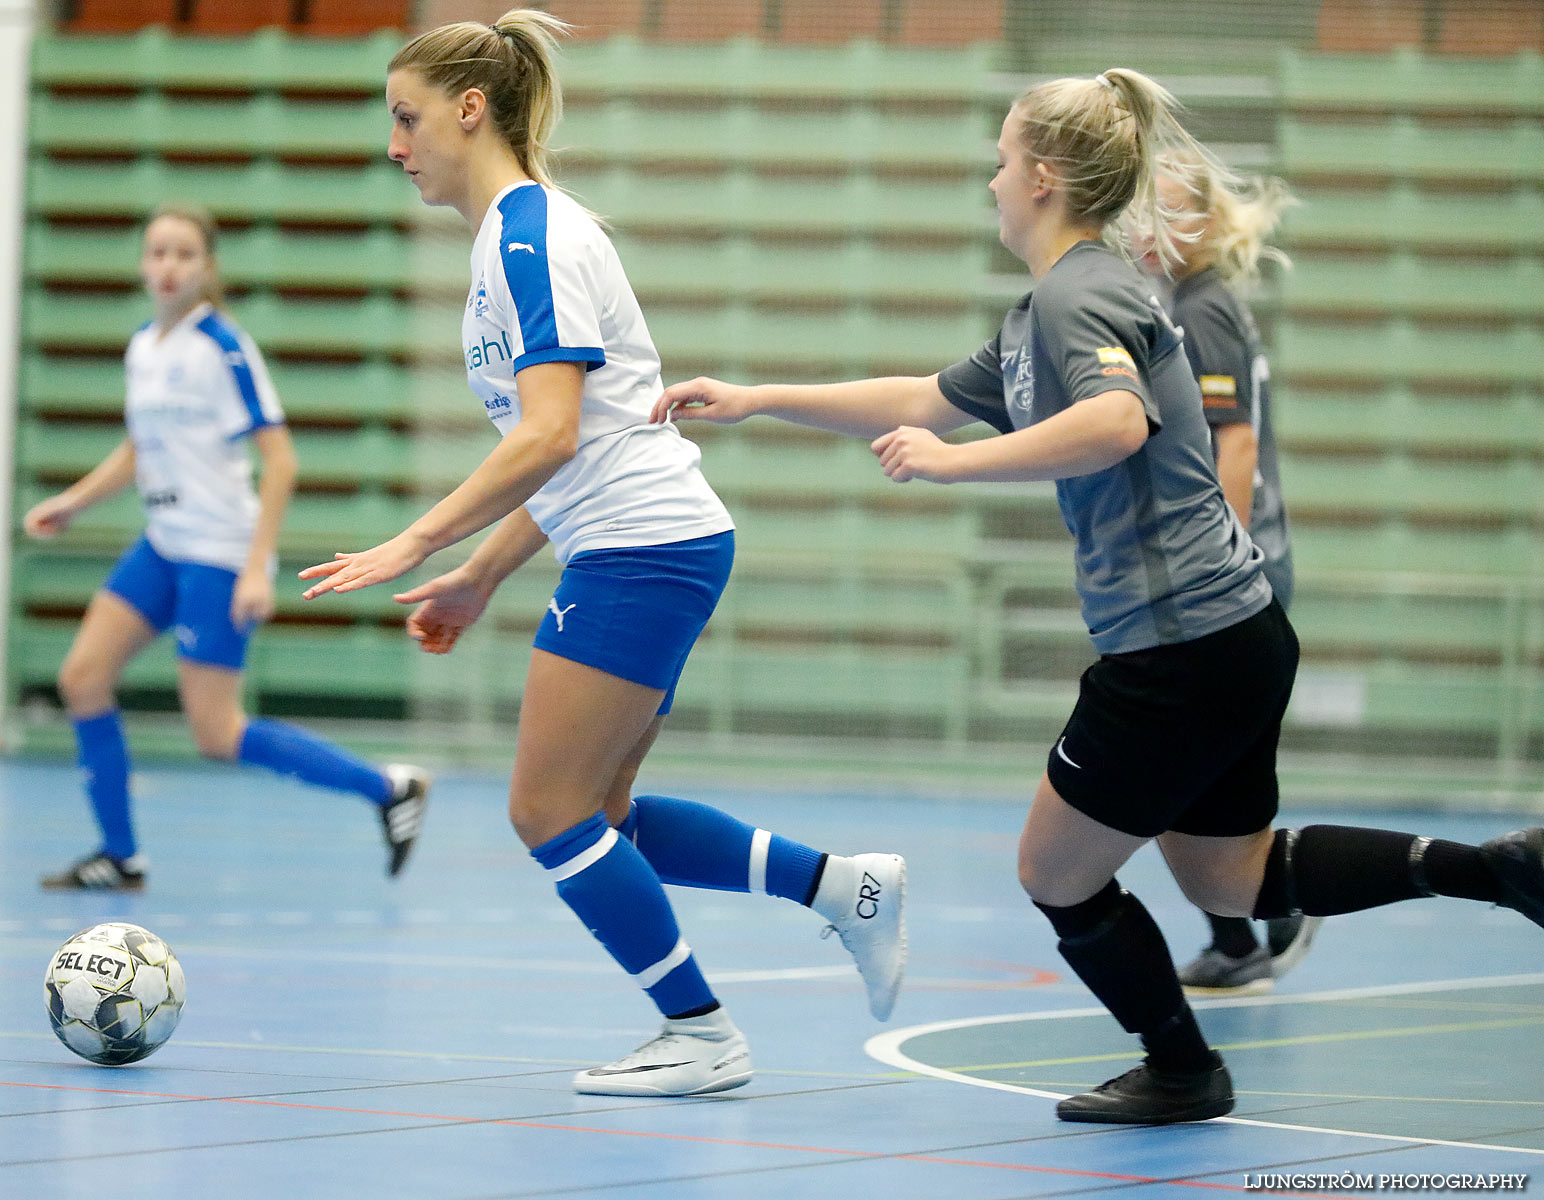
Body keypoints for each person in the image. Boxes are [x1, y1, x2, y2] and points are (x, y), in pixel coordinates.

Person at [654, 68, 1544, 1125]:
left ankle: (1180, 1068)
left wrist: (952, 468)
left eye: (997, 159)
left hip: (1182, 650)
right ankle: (1504, 872)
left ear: (1039, 176)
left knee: (1055, 871)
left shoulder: (1084, 294)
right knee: (1233, 883)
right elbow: (922, 397)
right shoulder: (1050, 309)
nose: (988, 181)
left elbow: (1117, 422)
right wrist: (758, 399)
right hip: (1227, 638)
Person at [297, 9, 907, 1098]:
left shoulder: (530, 234)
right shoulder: (511, 238)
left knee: (548, 810)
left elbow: (552, 434)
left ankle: (702, 1034)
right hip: (647, 539)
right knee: (605, 814)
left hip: (642, 548)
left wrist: (415, 539)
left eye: (408, 116)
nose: (396, 145)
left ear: (471, 109)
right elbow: (585, 444)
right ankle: (845, 889)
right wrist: (479, 576)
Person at [23, 203, 430, 891]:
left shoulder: (224, 348)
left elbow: (282, 461)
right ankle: (120, 856)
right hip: (163, 544)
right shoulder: (142, 351)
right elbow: (137, 450)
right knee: (81, 679)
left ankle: (388, 788)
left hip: (218, 552)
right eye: (156, 252)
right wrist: (73, 502)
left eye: (183, 254)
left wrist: (254, 568)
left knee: (215, 734)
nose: (167, 266)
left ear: (207, 268)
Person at [1134, 156, 1320, 992]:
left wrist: (1222, 563)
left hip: (1232, 581)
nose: (1142, 228)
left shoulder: (1203, 314)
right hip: (1238, 578)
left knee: (1180, 765)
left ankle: (1272, 912)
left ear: (1197, 228)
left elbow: (1232, 443)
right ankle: (1252, 931)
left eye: (1160, 212)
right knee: (1208, 776)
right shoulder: (1193, 306)